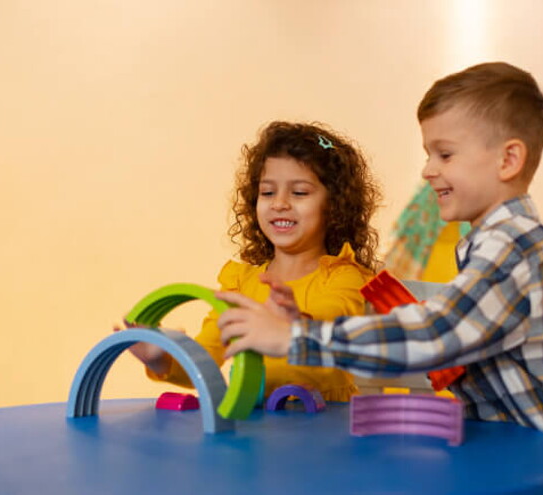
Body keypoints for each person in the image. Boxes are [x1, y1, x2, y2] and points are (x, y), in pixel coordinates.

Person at [216, 63, 543, 493]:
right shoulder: (488, 244)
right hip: (519, 460)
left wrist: (294, 337)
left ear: (508, 160)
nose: (428, 170)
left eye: (444, 154)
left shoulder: (514, 246)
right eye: (429, 154)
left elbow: (435, 336)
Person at [124, 120, 381, 402]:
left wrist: (292, 325)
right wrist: (161, 358)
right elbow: (205, 363)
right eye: (268, 192)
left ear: (333, 206)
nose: (279, 203)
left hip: (323, 426)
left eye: (299, 193)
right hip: (257, 428)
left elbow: (334, 321)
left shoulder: (343, 275)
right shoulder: (240, 283)